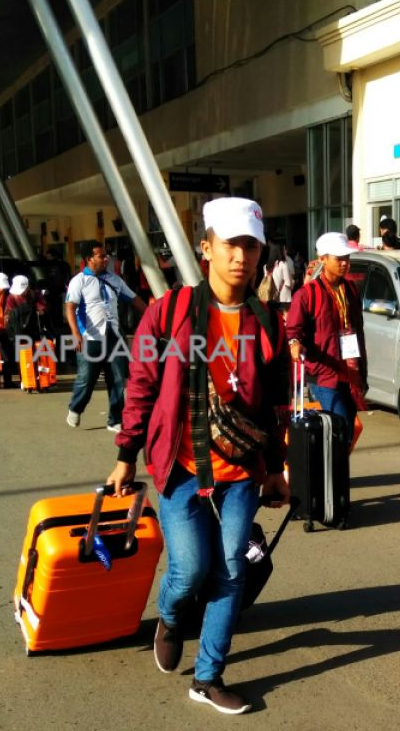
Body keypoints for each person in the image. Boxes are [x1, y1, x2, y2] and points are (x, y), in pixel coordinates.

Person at [107, 197, 290, 716]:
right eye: (231, 244)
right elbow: (140, 384)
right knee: (189, 570)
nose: (241, 256)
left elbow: (274, 405)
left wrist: (277, 469)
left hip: (240, 473)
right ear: (206, 248)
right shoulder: (170, 312)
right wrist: (125, 454)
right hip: (180, 468)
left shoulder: (267, 322)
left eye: (251, 246)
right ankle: (170, 616)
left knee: (230, 568)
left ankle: (208, 677)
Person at [286, 232, 368, 446]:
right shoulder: (306, 294)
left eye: (347, 258)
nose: (344, 263)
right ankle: (330, 475)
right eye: (338, 258)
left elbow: (357, 328)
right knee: (338, 427)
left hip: (350, 371)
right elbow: (292, 329)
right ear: (322, 258)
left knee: (348, 429)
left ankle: (336, 474)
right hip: (323, 374)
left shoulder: (350, 289)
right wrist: (295, 344)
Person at [65, 243, 147, 431]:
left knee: (118, 379)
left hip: (114, 336)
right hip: (89, 338)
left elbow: (134, 299)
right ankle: (75, 408)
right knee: (87, 380)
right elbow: (70, 308)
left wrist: (151, 314)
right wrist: (75, 334)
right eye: (101, 256)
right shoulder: (79, 281)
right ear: (88, 260)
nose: (105, 258)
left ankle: (115, 420)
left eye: (105, 255)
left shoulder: (114, 279)